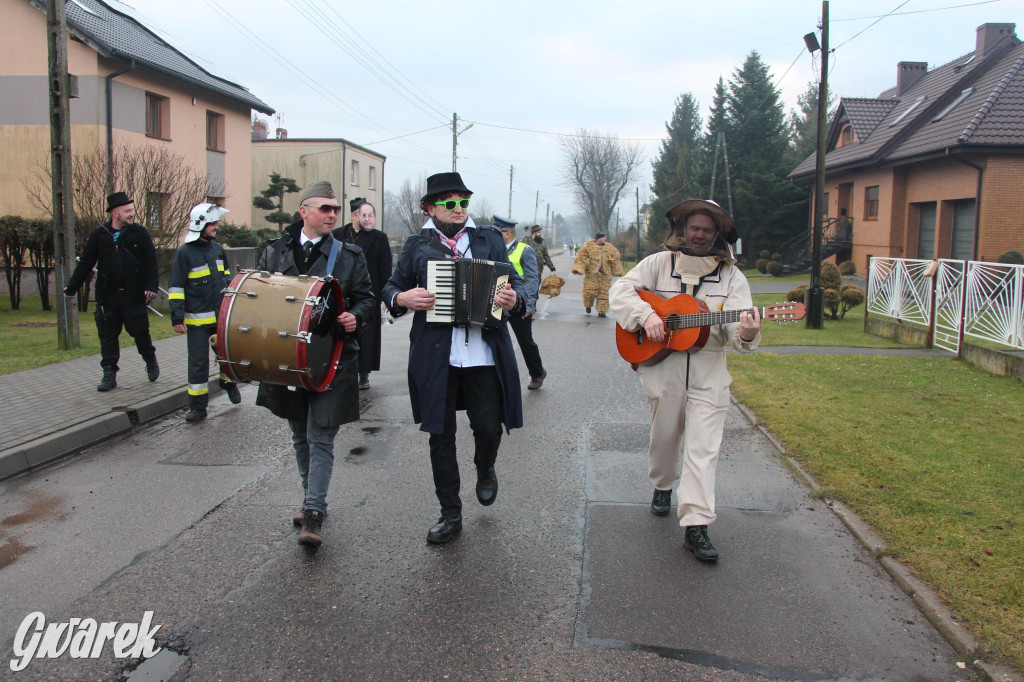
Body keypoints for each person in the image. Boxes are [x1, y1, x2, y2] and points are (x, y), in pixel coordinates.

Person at [608, 199, 761, 562]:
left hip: (709, 371)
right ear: (682, 229)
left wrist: (749, 333)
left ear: (718, 235)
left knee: (703, 448)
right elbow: (620, 291)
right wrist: (646, 316)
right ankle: (662, 484)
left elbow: (739, 338)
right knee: (664, 436)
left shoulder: (732, 277)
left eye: (708, 230)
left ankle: (697, 524)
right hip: (663, 367)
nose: (700, 235)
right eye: (694, 228)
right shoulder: (659, 263)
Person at [382, 172, 527, 545]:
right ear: (430, 208)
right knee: (440, 436)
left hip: (483, 353)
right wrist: (402, 299)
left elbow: (515, 284)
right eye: (450, 203)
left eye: (463, 202)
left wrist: (515, 300)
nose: (459, 208)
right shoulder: (417, 246)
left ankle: (485, 466)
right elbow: (390, 287)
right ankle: (450, 513)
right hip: (437, 358)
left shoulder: (488, 239)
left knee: (490, 427)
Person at [255, 180, 374, 548]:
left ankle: (314, 511)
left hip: (332, 359)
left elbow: (367, 300)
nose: (332, 214)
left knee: (320, 434)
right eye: (324, 208)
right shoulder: (274, 253)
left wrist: (356, 316)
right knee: (298, 433)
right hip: (287, 359)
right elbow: (258, 298)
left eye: (335, 209)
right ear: (303, 212)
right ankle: (311, 499)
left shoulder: (350, 255)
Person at [64, 191, 159, 391]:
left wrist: (151, 286)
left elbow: (150, 261)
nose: (132, 214)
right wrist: (72, 287)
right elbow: (86, 263)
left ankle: (150, 360)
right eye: (127, 211)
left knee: (140, 333)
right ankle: (109, 374)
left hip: (133, 295)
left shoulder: (139, 233)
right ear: (115, 213)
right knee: (107, 336)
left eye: (132, 210)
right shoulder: (99, 235)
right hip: (107, 296)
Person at [167, 203, 242, 423]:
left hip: (221, 318)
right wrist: (176, 316)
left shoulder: (218, 249)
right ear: (201, 223)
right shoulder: (184, 253)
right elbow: (176, 286)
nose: (217, 226)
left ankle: (228, 383)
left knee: (227, 357)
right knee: (198, 364)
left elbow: (227, 279)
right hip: (198, 322)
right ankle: (198, 407)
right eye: (213, 223)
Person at [333, 197, 392, 390]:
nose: (367, 219)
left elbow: (385, 269)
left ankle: (363, 374)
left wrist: (385, 295)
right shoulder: (337, 235)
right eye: (363, 215)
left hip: (369, 293)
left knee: (366, 337)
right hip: (341, 293)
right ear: (354, 216)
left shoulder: (379, 238)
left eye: (371, 216)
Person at [499, 219, 547, 390]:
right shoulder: (494, 249)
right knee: (497, 341)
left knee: (525, 341)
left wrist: (528, 305)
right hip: (499, 302)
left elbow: (532, 280)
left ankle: (537, 372)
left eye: (499, 231)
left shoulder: (524, 250)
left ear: (508, 233)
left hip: (519, 303)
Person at [571, 232, 623, 317]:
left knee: (604, 294)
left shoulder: (610, 248)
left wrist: (617, 271)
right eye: (603, 237)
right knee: (589, 292)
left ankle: (602, 311)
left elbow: (615, 260)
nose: (605, 238)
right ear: (599, 238)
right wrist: (578, 269)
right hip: (592, 275)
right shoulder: (588, 247)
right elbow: (581, 258)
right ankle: (588, 305)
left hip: (605, 276)